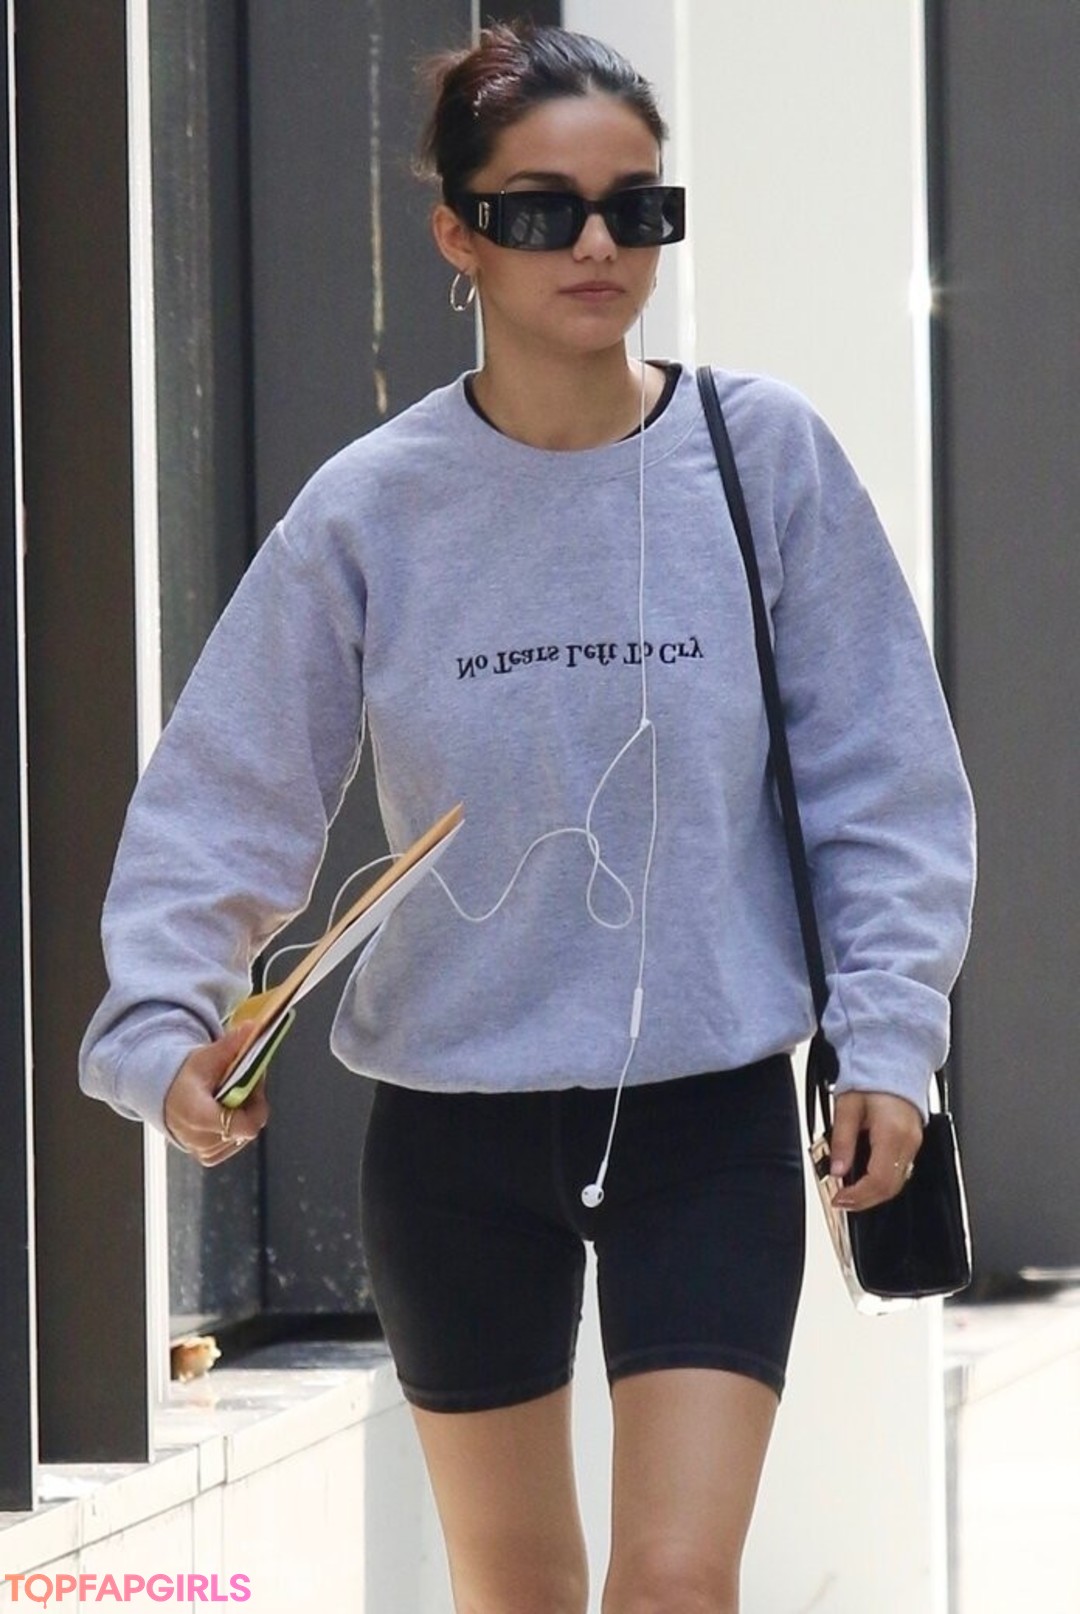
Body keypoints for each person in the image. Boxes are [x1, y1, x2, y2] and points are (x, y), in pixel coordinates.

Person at [79, 22, 976, 1614]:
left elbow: (885, 780)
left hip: (705, 1110)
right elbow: (229, 789)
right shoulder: (374, 507)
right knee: (519, 1590)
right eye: (545, 210)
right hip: (453, 1127)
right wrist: (164, 1027)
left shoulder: (762, 460)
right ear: (458, 234)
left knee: (678, 1579)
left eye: (638, 207)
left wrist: (891, 1038)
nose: (598, 246)